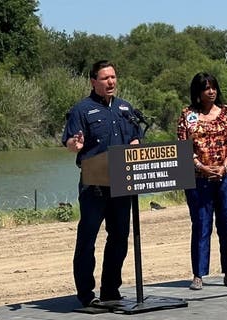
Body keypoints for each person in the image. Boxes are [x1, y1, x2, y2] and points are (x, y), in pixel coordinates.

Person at [62, 60, 141, 307]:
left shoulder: (125, 108)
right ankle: (86, 294)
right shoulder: (81, 110)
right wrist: (74, 145)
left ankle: (110, 290)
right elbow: (71, 142)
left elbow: (136, 137)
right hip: (93, 185)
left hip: (122, 182)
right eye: (105, 78)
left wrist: (136, 144)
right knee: (88, 238)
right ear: (93, 81)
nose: (111, 82)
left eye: (114, 77)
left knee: (119, 237)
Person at [176, 72, 227, 290]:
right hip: (199, 178)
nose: (211, 91)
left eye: (214, 87)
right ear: (198, 92)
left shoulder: (226, 112)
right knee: (201, 224)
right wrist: (201, 167)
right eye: (206, 88)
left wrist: (223, 167)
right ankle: (198, 275)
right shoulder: (188, 115)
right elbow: (182, 146)